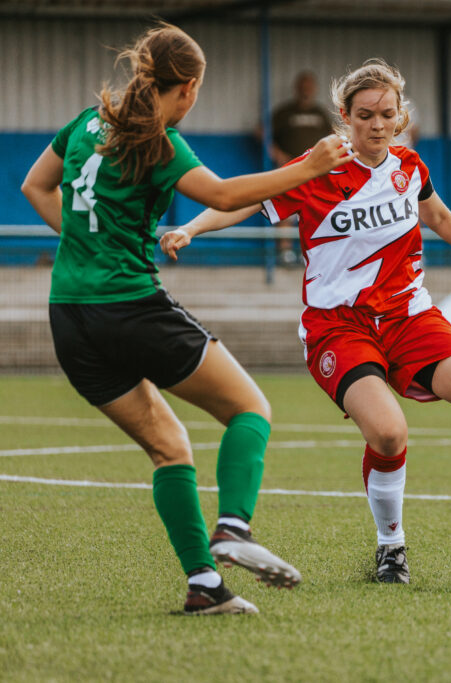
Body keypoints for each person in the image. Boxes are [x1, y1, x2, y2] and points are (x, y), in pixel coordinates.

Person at [161, 59, 451, 585]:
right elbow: (241, 203)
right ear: (345, 116)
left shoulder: (410, 167)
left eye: (385, 114)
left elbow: (439, 216)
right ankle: (391, 546)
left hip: (411, 316)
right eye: (364, 115)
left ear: (399, 115)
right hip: (339, 328)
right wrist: (192, 229)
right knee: (387, 433)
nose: (376, 125)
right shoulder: (316, 170)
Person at [20, 23, 354, 615]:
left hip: (69, 317)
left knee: (170, 447)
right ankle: (232, 529)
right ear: (190, 86)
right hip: (129, 306)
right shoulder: (161, 142)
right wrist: (310, 166)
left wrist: (87, 246)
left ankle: (204, 584)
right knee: (250, 408)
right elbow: (223, 196)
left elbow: (34, 186)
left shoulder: (83, 123)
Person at [270, 71, 335, 266]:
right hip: (291, 169)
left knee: (318, 210)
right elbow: (262, 132)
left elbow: (334, 135)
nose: (306, 91)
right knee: (286, 208)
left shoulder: (320, 113)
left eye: (309, 87)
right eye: (303, 86)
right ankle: (286, 252)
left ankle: (314, 252)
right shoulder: (284, 112)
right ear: (297, 88)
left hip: (317, 170)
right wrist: (278, 155)